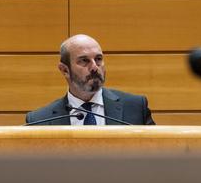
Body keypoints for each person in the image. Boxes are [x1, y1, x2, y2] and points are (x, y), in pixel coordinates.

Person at [26, 34, 155, 126]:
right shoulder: (41, 121)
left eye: (98, 59)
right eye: (84, 61)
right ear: (65, 70)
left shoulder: (135, 108)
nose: (94, 67)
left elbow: (155, 156)